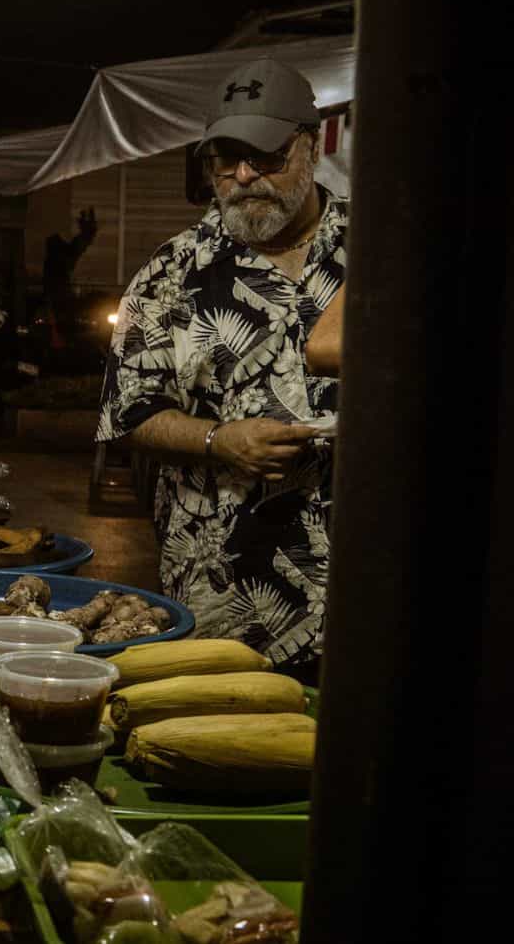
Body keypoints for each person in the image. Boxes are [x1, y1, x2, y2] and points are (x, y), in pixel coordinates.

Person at [97, 57, 345, 678]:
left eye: (266, 157)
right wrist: (217, 440)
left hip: (367, 598)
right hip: (224, 610)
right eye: (225, 160)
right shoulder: (170, 274)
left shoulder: (383, 251)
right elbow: (129, 415)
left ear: (311, 148)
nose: (243, 177)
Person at [42, 206, 99, 350]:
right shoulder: (59, 259)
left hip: (60, 294)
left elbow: (79, 245)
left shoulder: (60, 256)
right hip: (59, 295)